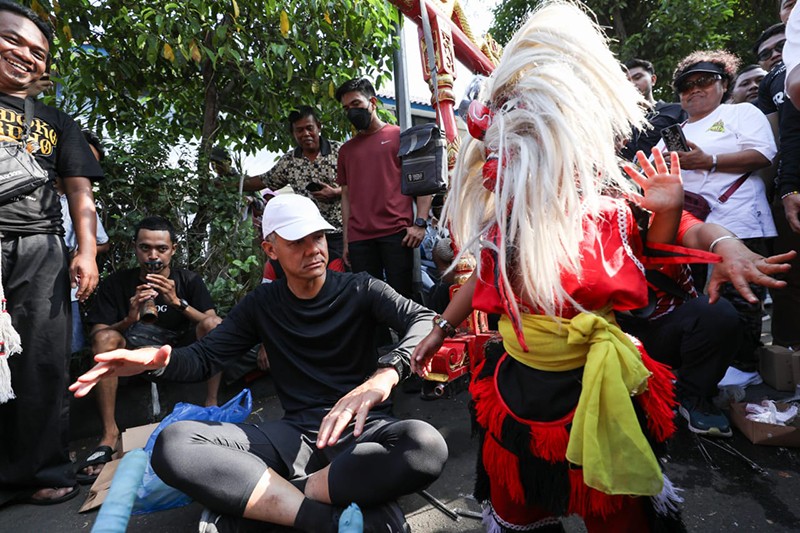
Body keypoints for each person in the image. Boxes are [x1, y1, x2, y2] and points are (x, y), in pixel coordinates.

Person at [413, 3, 687, 529]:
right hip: (518, 389)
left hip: (596, 387)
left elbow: (664, 278)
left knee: (618, 514)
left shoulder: (607, 213)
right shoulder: (504, 224)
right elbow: (482, 281)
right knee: (520, 509)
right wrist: (439, 327)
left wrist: (671, 212)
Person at [70, 194, 448, 533]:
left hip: (364, 429)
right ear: (270, 249)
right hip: (294, 435)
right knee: (174, 443)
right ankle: (323, 519)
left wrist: (386, 373)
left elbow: (425, 319)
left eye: (317, 237)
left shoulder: (361, 287)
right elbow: (203, 358)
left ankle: (276, 497)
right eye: (297, 241)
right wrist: (156, 360)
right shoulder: (262, 304)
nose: (313, 249)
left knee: (424, 445)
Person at [0, 0, 103, 506]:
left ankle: (41, 469)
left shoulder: (57, 121)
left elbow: (81, 194)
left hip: (39, 247)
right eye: (13, 40)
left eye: (38, 52)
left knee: (42, 360)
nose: (26, 56)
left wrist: (87, 252)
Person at [76, 216, 221, 484]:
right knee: (106, 337)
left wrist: (178, 303)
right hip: (132, 358)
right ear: (135, 248)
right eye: (145, 248)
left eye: (161, 249)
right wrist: (130, 319)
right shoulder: (117, 283)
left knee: (212, 325)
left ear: (173, 249)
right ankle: (109, 433)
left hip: (179, 356)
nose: (153, 256)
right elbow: (98, 335)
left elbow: (217, 327)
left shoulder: (188, 280)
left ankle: (211, 404)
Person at [659, 50, 777, 370]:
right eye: (686, 85)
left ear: (723, 84)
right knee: (700, 300)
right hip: (689, 228)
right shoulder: (673, 133)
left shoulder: (741, 114)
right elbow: (655, 174)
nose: (695, 89)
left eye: (705, 80)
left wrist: (707, 160)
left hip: (739, 221)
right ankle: (709, 371)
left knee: (743, 298)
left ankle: (745, 370)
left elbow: (763, 153)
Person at [335, 78, 433, 299]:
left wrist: (420, 223)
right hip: (360, 239)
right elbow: (346, 196)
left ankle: (411, 335)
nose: (351, 111)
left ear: (373, 102)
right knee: (367, 303)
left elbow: (423, 182)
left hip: (396, 234)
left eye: (356, 104)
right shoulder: (346, 151)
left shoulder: (401, 137)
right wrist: (347, 241)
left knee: (403, 300)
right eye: (346, 108)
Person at [225, 106, 346, 262]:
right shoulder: (289, 161)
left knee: (343, 280)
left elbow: (361, 184)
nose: (305, 134)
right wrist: (228, 184)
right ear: (293, 133)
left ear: (319, 126)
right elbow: (264, 180)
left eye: (309, 128)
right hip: (307, 234)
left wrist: (336, 192)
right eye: (299, 130)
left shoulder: (340, 152)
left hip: (341, 233)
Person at [620, 58, 687, 161]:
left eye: (637, 77)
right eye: (627, 81)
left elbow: (682, 152)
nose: (632, 84)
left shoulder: (675, 111)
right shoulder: (621, 123)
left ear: (653, 80)